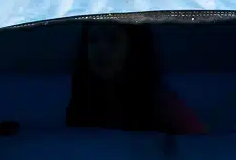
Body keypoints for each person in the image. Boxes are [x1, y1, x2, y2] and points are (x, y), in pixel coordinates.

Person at [66, 21, 205, 134]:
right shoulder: (82, 98)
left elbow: (198, 145)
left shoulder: (160, 101)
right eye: (92, 40)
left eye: (113, 40)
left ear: (133, 48)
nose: (100, 49)